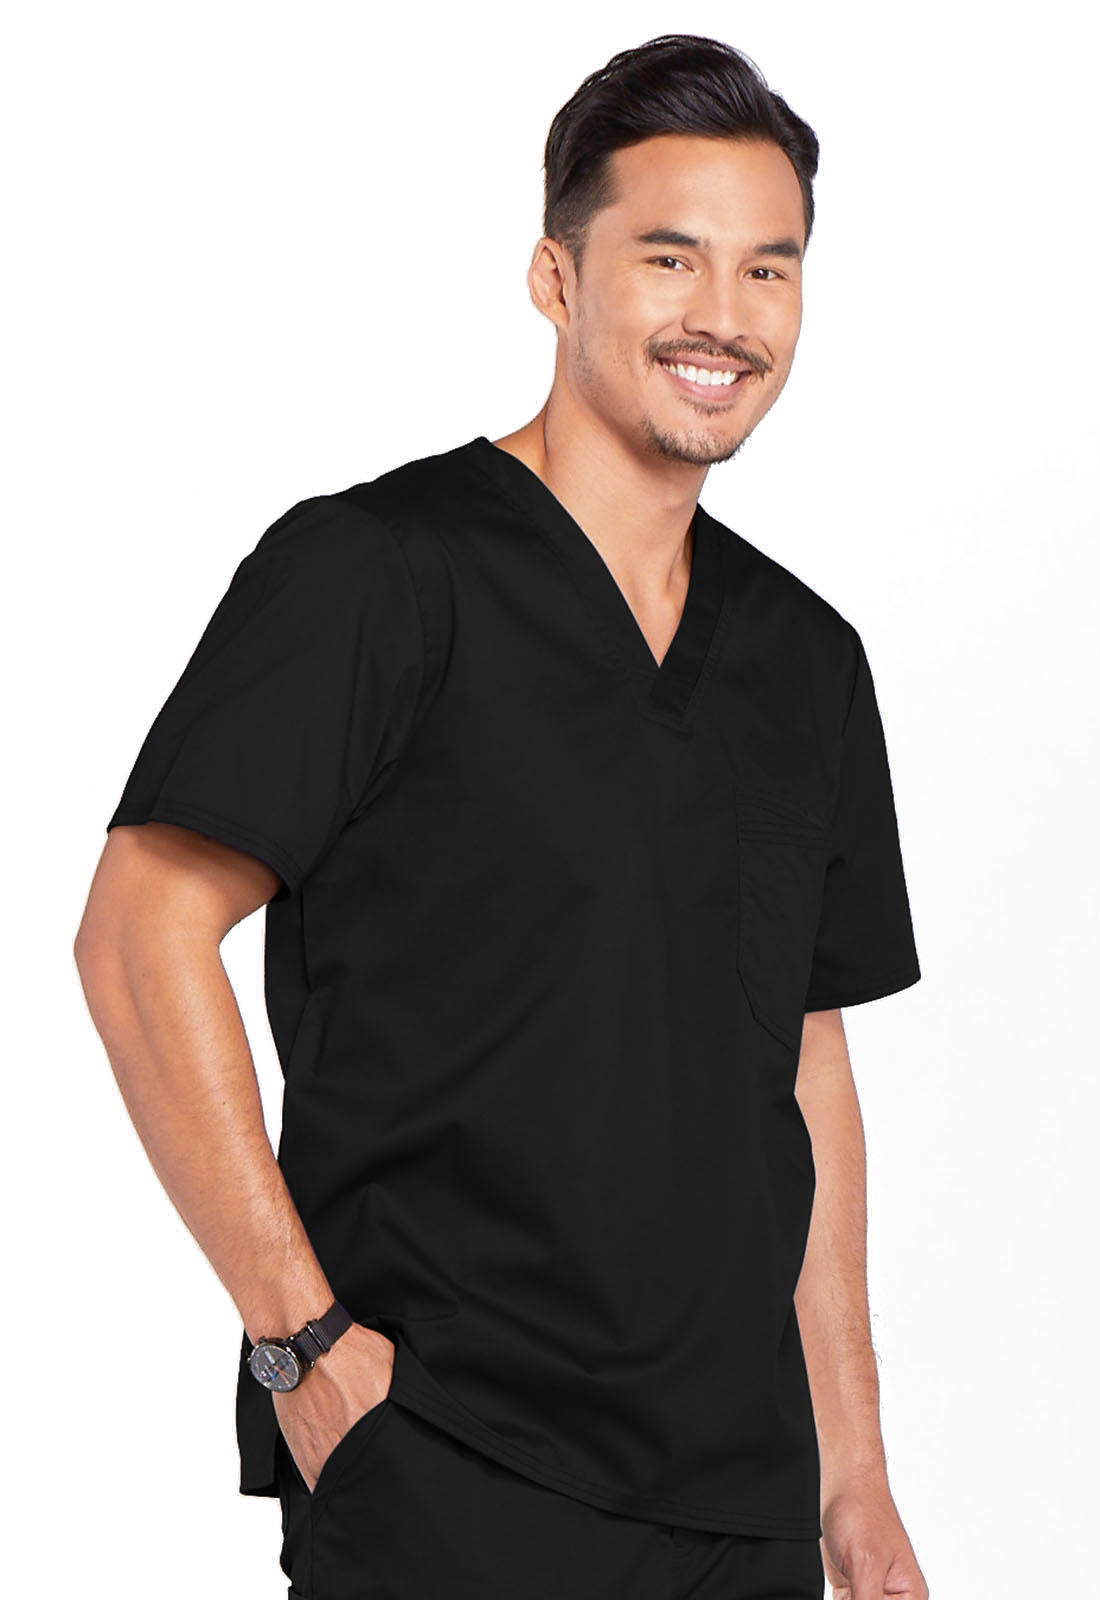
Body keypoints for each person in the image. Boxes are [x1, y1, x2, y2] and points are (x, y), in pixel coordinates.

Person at [74, 31, 931, 1600]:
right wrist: (301, 1343)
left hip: (742, 1507)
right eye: (669, 258)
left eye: (768, 269)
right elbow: (140, 930)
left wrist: (854, 1476)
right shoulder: (379, 574)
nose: (724, 315)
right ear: (556, 277)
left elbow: (804, 1065)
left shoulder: (807, 662)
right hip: (451, 1466)